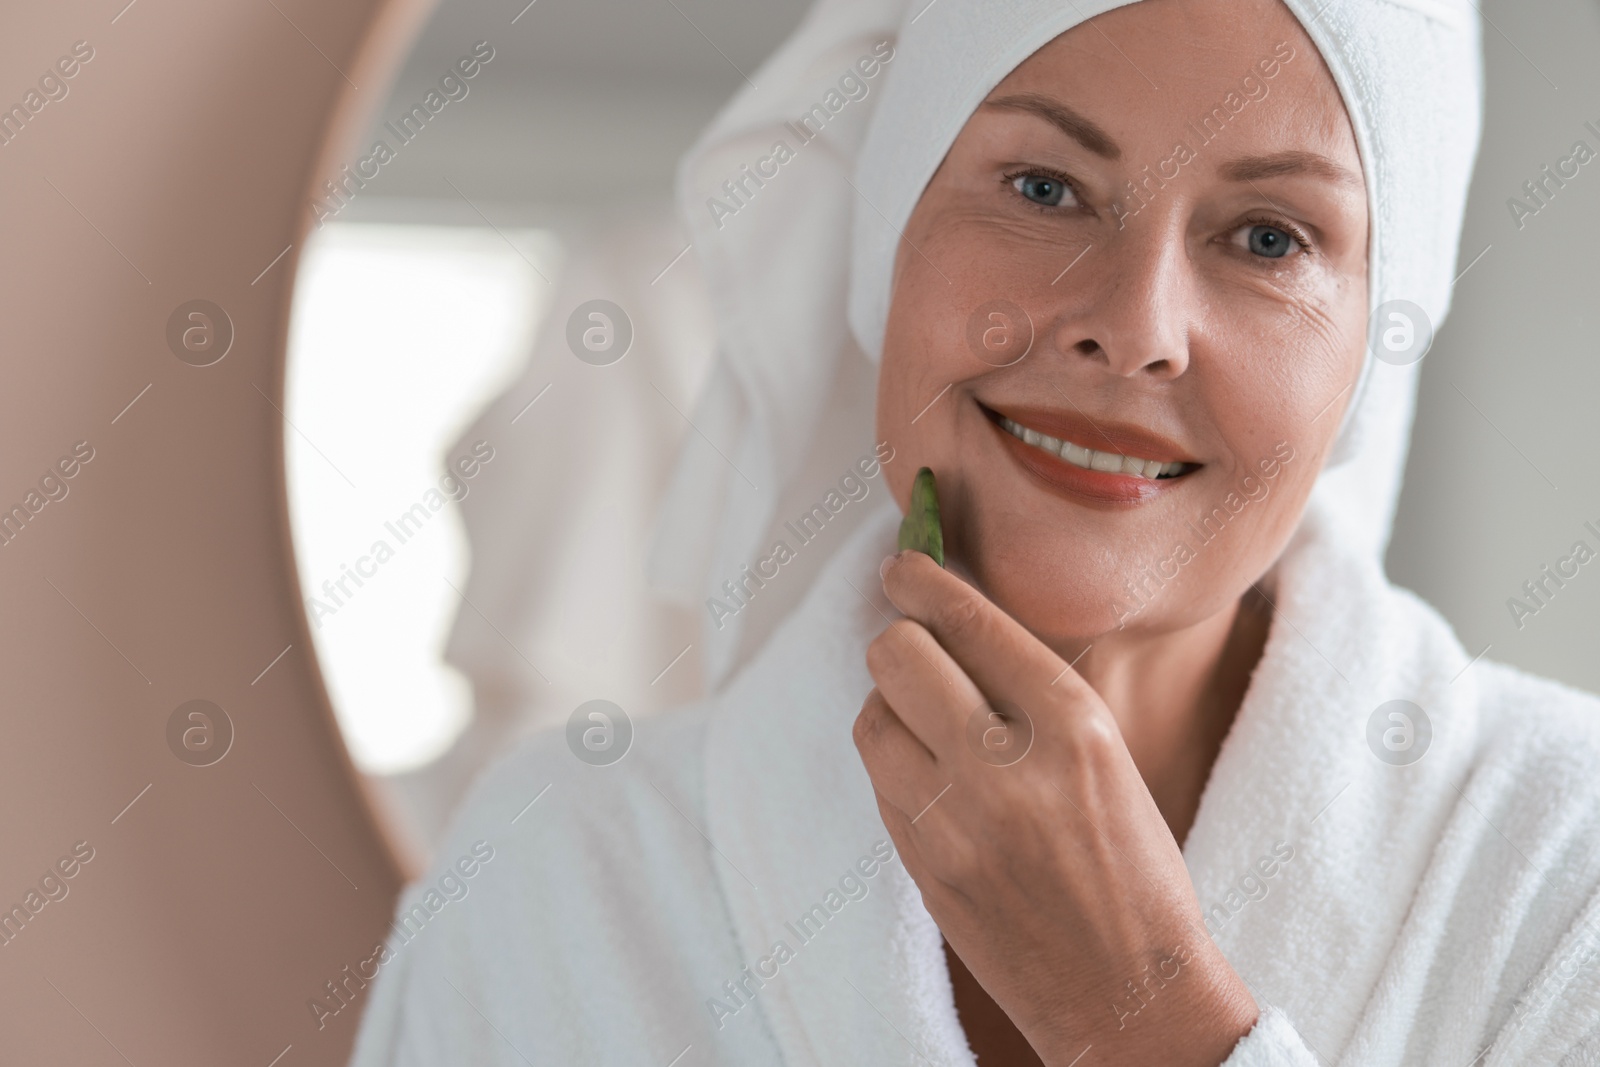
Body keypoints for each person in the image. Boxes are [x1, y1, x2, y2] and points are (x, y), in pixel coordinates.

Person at [347, 0, 1600, 1062]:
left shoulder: (1561, 862)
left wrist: (1139, 1012)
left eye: (1268, 236)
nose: (1134, 321)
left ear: (1376, 345)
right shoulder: (555, 877)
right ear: (887, 238)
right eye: (1043, 187)